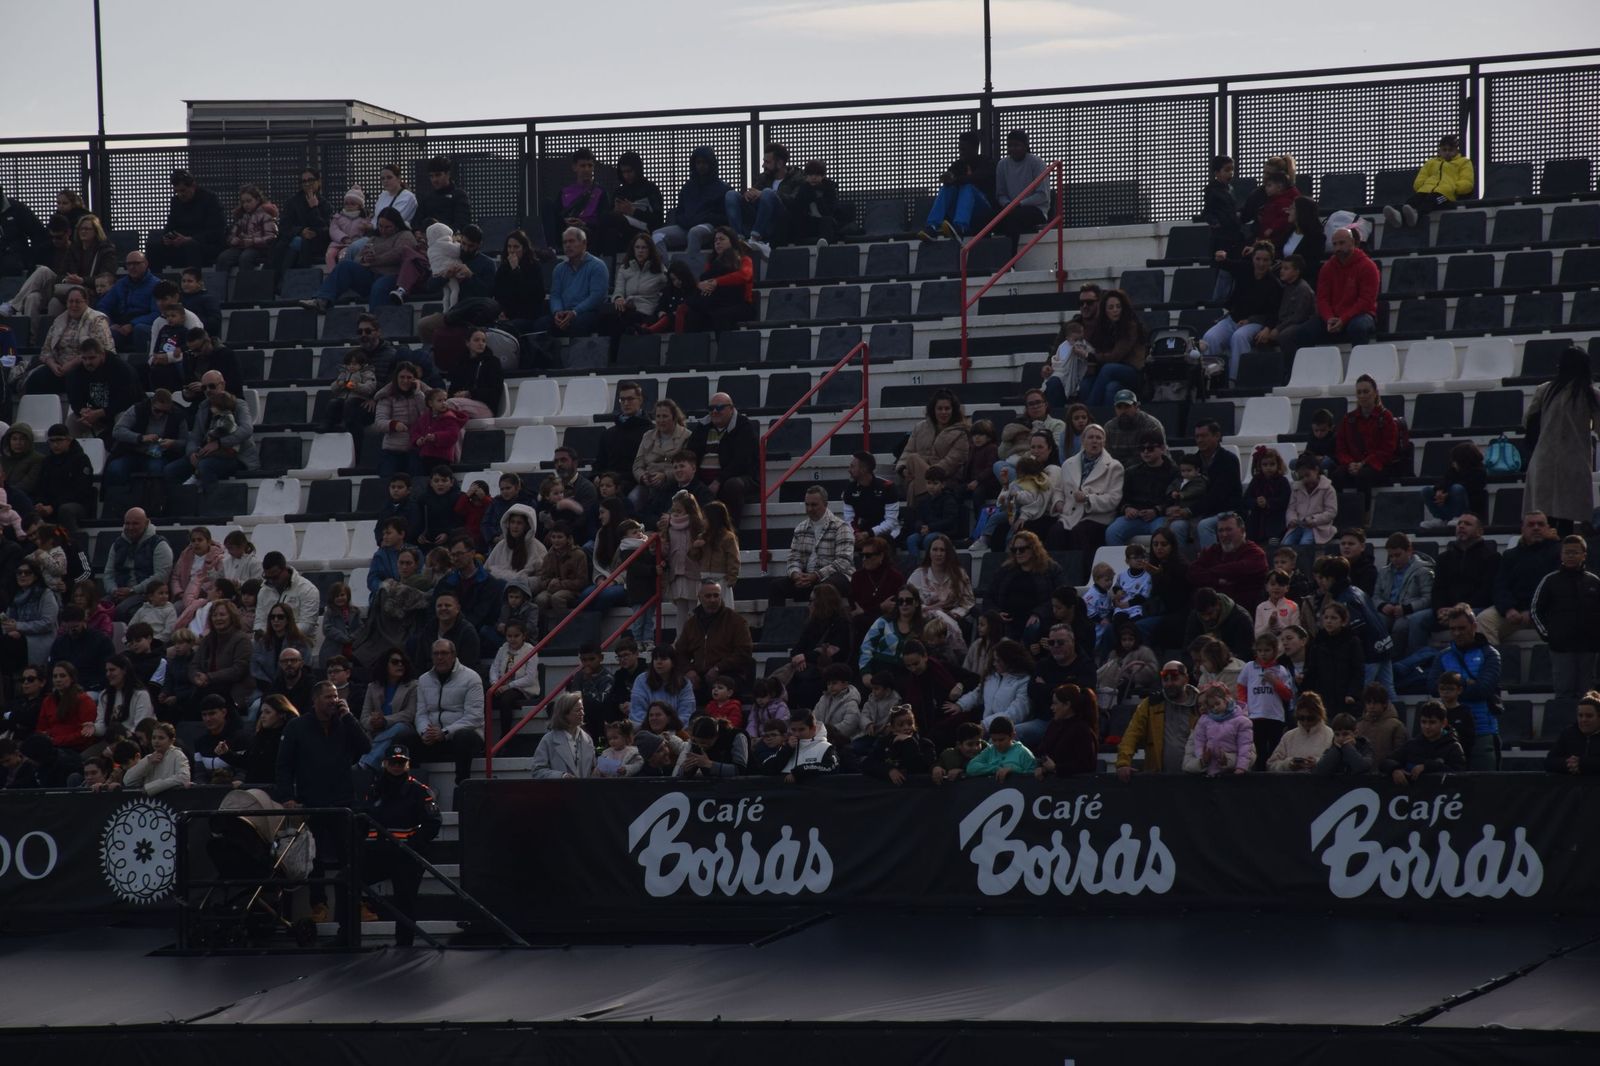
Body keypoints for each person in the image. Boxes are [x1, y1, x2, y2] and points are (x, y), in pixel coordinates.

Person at [1523, 346, 1600, 533]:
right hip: (1574, 460)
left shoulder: (1545, 390)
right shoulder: (1591, 394)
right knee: (1567, 518)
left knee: (1543, 518)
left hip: (1543, 459)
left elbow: (1528, 422)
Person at [1426, 607, 1502, 770]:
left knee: (1486, 788)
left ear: (1474, 626)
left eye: (1462, 628)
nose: (1457, 633)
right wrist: (1468, 683)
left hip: (1482, 732)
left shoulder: (1490, 654)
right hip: (1447, 734)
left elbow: (1483, 689)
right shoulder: (1443, 656)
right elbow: (1432, 687)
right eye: (1453, 629)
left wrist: (1450, 688)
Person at [301, 207, 417, 312]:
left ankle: (375, 322)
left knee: (379, 287)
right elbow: (357, 258)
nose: (383, 230)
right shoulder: (374, 238)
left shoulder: (405, 235)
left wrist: (375, 260)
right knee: (344, 266)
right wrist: (364, 259)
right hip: (371, 275)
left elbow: (399, 253)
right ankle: (322, 300)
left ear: (396, 225)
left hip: (393, 276)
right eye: (380, 226)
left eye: (388, 227)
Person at [1287, 229, 1378, 354]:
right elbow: (1322, 299)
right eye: (1335, 244)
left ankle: (1361, 367)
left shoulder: (1368, 266)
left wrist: (1343, 319)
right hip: (1333, 316)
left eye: (1342, 243)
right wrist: (1329, 318)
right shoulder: (1327, 268)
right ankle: (1310, 369)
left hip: (1361, 314)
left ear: (1352, 242)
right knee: (1304, 331)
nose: (1338, 248)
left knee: (1358, 328)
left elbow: (1366, 301)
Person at [1477, 511, 1561, 646]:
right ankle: (1493, 664)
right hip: (1513, 611)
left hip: (1546, 611)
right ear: (1522, 529)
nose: (1536, 528)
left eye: (1540, 524)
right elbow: (1500, 586)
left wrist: (1533, 611)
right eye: (1531, 524)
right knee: (1483, 621)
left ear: (1547, 528)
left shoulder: (1559, 553)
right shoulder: (1510, 555)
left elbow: (1558, 588)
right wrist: (1508, 609)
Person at [413, 639, 485, 795]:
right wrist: (425, 732)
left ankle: (462, 790)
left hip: (465, 734)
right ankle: (412, 791)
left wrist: (445, 732)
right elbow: (421, 713)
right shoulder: (423, 680)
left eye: (444, 653)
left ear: (453, 655)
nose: (440, 657)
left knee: (463, 737)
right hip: (434, 736)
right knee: (404, 738)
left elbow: (475, 717)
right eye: (436, 654)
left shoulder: (472, 678)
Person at [1532, 535, 1600, 698]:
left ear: (1584, 555)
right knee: (1563, 693)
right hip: (1561, 648)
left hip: (1589, 649)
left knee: (1588, 695)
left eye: (1575, 552)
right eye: (1567, 552)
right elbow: (1535, 610)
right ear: (1561, 555)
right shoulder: (1550, 581)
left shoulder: (1594, 582)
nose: (1570, 556)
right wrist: (1549, 636)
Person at [1202, 240, 1280, 382]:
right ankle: (1209, 379)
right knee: (1210, 337)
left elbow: (1274, 312)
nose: (1261, 264)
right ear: (1253, 259)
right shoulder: (1245, 269)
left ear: (1271, 262)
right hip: (1234, 319)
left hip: (1256, 323)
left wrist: (1266, 328)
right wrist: (1221, 256)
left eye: (1265, 260)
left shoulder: (1274, 284)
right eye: (1258, 259)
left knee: (1239, 337)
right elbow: (1227, 263)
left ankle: (1236, 379)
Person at [769, 485, 854, 609]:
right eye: (807, 504)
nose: (809, 509)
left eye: (814, 505)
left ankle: (819, 625)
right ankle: (777, 626)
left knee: (824, 588)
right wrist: (796, 575)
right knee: (775, 586)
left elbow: (843, 561)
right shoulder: (800, 528)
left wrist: (816, 575)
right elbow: (793, 558)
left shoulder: (841, 527)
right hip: (808, 577)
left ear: (825, 504)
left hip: (837, 577)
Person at [1041, 423, 1121, 552]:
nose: (1094, 441)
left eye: (1098, 438)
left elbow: (1113, 499)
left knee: (1079, 532)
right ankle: (1055, 570)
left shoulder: (1115, 467)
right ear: (1083, 440)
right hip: (1071, 514)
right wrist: (1059, 502)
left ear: (1104, 442)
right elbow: (1059, 490)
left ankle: (1081, 571)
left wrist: (1088, 498)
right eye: (1090, 437)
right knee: (1056, 531)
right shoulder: (1068, 464)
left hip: (1097, 516)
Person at [1115, 662, 1199, 779]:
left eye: (1174, 678)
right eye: (1165, 679)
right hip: (1157, 780)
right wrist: (1123, 763)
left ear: (1186, 678)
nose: (1169, 683)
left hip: (1195, 780)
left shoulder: (1201, 705)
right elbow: (1131, 735)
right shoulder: (1150, 704)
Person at [686, 392, 761, 521]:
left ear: (731, 409)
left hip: (737, 478)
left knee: (732, 486)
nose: (715, 411)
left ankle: (732, 531)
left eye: (720, 407)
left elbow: (741, 461)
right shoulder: (702, 427)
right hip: (704, 480)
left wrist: (718, 480)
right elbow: (690, 455)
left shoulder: (744, 426)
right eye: (711, 408)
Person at [674, 579, 754, 699]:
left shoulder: (736, 621)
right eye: (708, 596)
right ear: (699, 598)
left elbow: (744, 652)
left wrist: (718, 668)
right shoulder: (691, 624)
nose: (712, 600)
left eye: (716, 595)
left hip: (729, 674)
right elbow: (680, 652)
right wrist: (689, 670)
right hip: (700, 676)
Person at [896, 388, 970, 510]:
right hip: (921, 479)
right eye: (939, 408)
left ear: (953, 410)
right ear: (933, 409)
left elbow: (951, 462)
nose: (943, 412)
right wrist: (903, 470)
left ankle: (913, 520)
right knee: (913, 471)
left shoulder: (961, 432)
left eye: (947, 408)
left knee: (914, 470)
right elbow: (907, 451)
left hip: (945, 480)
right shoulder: (920, 427)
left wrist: (925, 473)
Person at [652, 146, 730, 260]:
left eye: (705, 162)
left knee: (694, 232)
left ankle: (687, 272)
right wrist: (685, 220)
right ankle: (666, 272)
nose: (701, 166)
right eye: (698, 162)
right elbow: (679, 212)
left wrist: (702, 219)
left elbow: (723, 218)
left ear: (711, 164)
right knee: (657, 236)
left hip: (708, 228)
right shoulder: (687, 187)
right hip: (685, 227)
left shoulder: (722, 188)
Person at [531, 227, 608, 340]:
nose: (567, 245)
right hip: (565, 313)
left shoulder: (597, 266)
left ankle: (576, 357)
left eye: (571, 241)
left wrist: (574, 312)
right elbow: (555, 295)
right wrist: (558, 312)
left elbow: (596, 297)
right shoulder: (559, 268)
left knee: (578, 324)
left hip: (588, 312)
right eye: (564, 242)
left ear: (584, 243)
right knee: (540, 325)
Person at [1383, 136, 1473, 230]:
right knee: (1413, 200)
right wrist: (1423, 187)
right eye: (1444, 150)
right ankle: (1398, 216)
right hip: (1426, 189)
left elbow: (1467, 181)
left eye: (1450, 150)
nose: (1447, 152)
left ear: (1456, 150)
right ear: (1439, 151)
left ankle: (1417, 215)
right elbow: (1421, 178)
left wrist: (1454, 189)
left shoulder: (1464, 162)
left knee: (1431, 200)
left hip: (1446, 195)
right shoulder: (1431, 162)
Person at [917, 130, 993, 241]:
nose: (961, 152)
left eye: (964, 149)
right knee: (947, 188)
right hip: (959, 210)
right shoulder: (957, 165)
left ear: (974, 148)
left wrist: (957, 180)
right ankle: (932, 226)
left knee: (967, 188)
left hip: (981, 210)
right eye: (959, 149)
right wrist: (947, 179)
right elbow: (951, 178)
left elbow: (976, 177)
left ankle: (960, 227)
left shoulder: (986, 162)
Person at [724, 143, 800, 254]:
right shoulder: (763, 178)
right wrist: (748, 196)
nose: (763, 165)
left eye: (767, 162)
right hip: (760, 221)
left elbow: (796, 203)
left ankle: (755, 238)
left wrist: (768, 194)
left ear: (779, 163)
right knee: (731, 195)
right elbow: (755, 197)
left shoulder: (797, 177)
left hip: (780, 226)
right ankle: (738, 239)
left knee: (768, 193)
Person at [147, 170, 226, 271]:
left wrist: (190, 239)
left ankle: (194, 282)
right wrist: (167, 238)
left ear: (193, 186)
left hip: (205, 244)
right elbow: (170, 226)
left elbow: (217, 231)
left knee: (191, 246)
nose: (180, 194)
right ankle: (156, 283)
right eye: (177, 191)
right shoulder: (175, 202)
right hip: (181, 243)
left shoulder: (210, 199)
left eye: (183, 190)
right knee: (154, 248)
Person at [1105, 432, 1175, 546]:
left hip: (1160, 517)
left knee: (1162, 536)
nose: (1146, 452)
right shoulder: (1131, 472)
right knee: (1112, 532)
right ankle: (1123, 563)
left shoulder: (1173, 472)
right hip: (1135, 517)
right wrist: (1127, 508)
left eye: (1150, 448)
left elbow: (1174, 499)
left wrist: (1157, 510)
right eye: (1142, 448)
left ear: (1162, 449)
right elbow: (1121, 497)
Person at [1189, 512, 1269, 610]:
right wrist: (1217, 580)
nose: (1224, 534)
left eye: (1229, 530)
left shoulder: (1256, 554)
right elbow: (1192, 572)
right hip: (1211, 610)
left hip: (1242, 611)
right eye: (1220, 530)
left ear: (1242, 530)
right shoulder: (1213, 550)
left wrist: (1209, 571)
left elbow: (1237, 569)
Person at [1081, 290, 1148, 407]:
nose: (1115, 310)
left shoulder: (1130, 326)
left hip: (1132, 371)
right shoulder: (1102, 327)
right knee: (1098, 385)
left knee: (1108, 369)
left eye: (1118, 306)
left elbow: (1115, 356)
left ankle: (1089, 410)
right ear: (1104, 311)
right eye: (1111, 307)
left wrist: (1089, 356)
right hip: (1109, 373)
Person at [591, 151, 663, 256]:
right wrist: (616, 211)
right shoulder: (620, 192)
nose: (626, 175)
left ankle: (592, 257)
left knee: (609, 219)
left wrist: (633, 211)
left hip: (644, 230)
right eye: (623, 172)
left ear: (637, 170)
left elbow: (658, 219)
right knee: (609, 231)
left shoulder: (650, 189)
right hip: (622, 231)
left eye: (629, 171)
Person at [1382, 701, 1466, 784]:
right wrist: (1395, 769)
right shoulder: (1412, 745)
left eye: (1432, 722)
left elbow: (1460, 775)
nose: (1427, 726)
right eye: (1424, 722)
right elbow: (1385, 761)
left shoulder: (1453, 747)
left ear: (1444, 723)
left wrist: (1428, 767)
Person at [1182, 682, 1253, 775]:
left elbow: (1250, 756)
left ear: (1225, 700)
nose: (1203, 708)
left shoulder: (1241, 723)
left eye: (1206, 704)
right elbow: (1187, 764)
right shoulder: (1197, 731)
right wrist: (1202, 762)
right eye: (1200, 705)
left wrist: (1227, 760)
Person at [993, 130, 1050, 237]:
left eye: (1016, 145)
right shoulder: (1002, 164)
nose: (1013, 149)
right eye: (1010, 145)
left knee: (1013, 218)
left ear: (1025, 146)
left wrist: (1019, 204)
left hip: (1036, 209)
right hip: (1010, 208)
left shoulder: (1037, 162)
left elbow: (1043, 195)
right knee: (991, 217)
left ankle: (1012, 252)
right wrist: (1007, 204)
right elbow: (1000, 194)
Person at [1420, 442, 1488, 531]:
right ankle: (1440, 519)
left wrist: (1447, 494)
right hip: (1449, 506)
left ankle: (1459, 517)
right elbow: (1444, 481)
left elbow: (1469, 488)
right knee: (1426, 490)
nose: (1452, 462)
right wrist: (1440, 491)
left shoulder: (1479, 473)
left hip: (1468, 509)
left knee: (1457, 488)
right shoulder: (1453, 471)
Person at [214, 185, 279, 272]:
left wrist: (252, 241)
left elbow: (271, 237)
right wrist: (233, 240)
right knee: (223, 257)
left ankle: (246, 285)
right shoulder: (242, 216)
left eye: (249, 201)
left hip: (261, 249)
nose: (245, 205)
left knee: (246, 257)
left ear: (258, 200)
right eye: (243, 202)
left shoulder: (265, 215)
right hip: (242, 247)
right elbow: (232, 234)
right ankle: (220, 285)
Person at [1266, 692, 1333, 772]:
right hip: (1292, 783)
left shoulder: (1330, 735)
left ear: (1319, 715)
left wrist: (1318, 763)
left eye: (1310, 718)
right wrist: (1288, 764)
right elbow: (1271, 765)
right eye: (1301, 718)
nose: (1305, 722)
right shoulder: (1288, 737)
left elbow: (1336, 764)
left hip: (1320, 783)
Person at [1544, 692, 1600, 776]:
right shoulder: (1568, 734)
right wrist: (1570, 765)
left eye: (1589, 716)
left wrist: (1582, 764)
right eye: (1580, 715)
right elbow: (1549, 762)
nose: (1583, 719)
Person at [780, 708, 838, 783]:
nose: (797, 734)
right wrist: (787, 749)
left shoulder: (826, 747)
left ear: (813, 728)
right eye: (793, 730)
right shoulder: (785, 746)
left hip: (815, 793)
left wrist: (799, 771)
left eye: (801, 729)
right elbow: (769, 768)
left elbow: (833, 767)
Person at [416, 156, 471, 230]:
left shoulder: (460, 196)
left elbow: (461, 224)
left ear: (448, 174)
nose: (434, 179)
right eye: (431, 176)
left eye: (438, 175)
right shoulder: (427, 198)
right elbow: (416, 223)